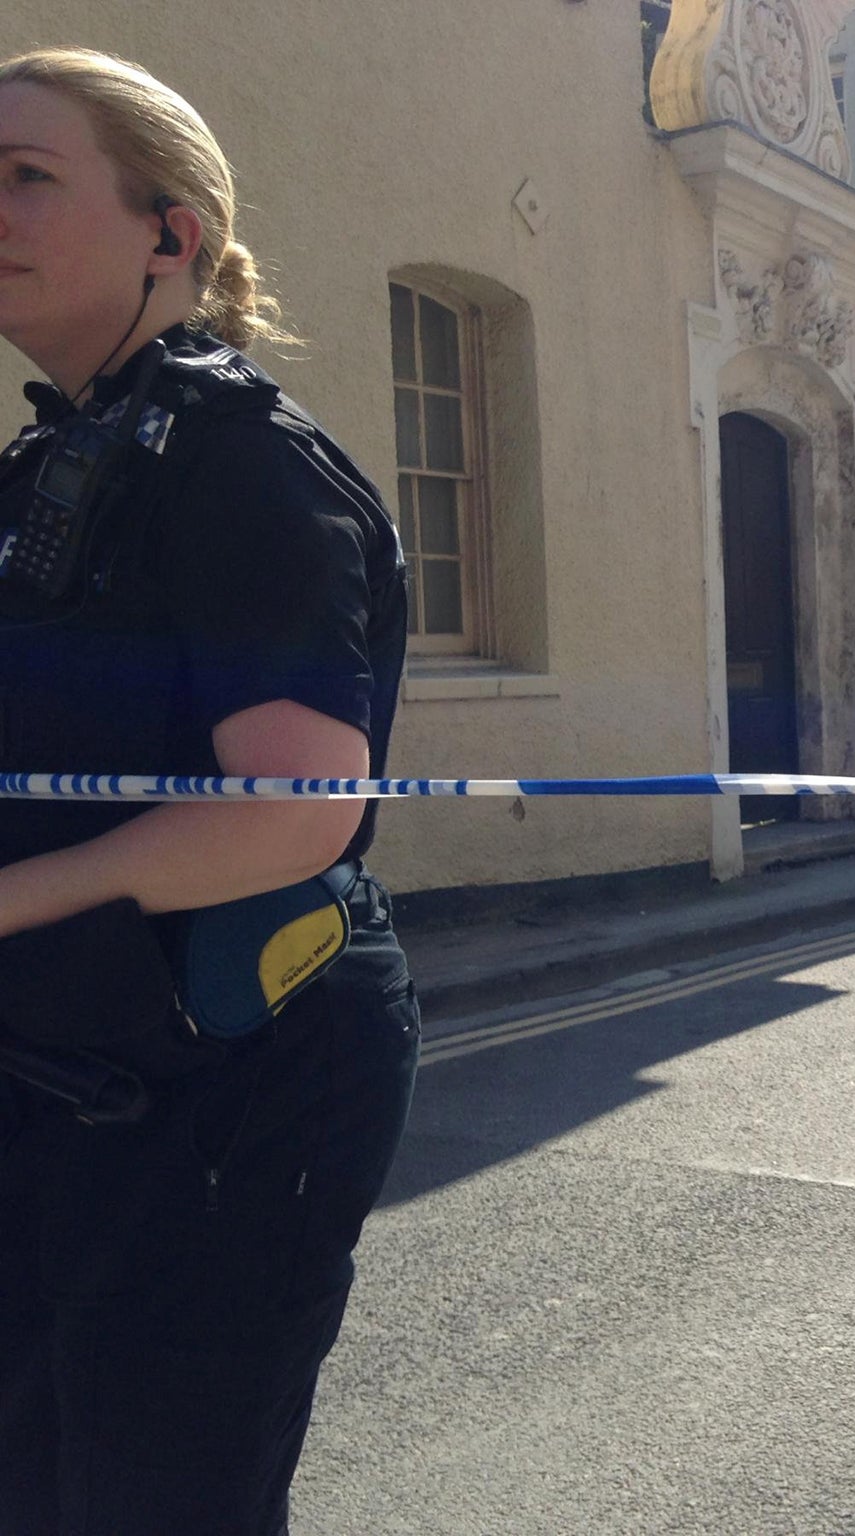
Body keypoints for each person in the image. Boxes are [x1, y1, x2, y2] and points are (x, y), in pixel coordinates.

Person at [0, 49, 415, 1533]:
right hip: (61, 1076)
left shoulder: (241, 472)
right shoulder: (55, 463)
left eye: (27, 174)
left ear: (170, 234)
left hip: (232, 1086)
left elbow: (298, 809)